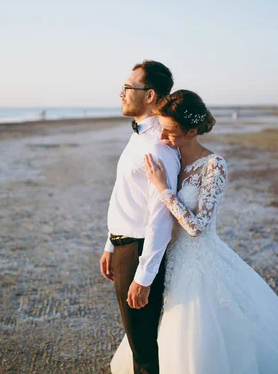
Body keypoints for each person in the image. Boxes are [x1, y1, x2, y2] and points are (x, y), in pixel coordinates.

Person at [110, 90, 278, 373]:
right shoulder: (172, 157)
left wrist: (163, 188)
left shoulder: (214, 165)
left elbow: (197, 227)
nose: (163, 138)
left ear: (191, 131)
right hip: (170, 258)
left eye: (170, 132)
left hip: (199, 259)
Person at [100, 60, 180, 374]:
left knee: (144, 349)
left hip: (137, 252)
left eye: (127, 88)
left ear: (149, 96)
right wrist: (110, 243)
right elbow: (125, 194)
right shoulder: (139, 137)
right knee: (139, 344)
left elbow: (160, 217)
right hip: (123, 247)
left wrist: (143, 278)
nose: (121, 94)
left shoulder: (157, 147)